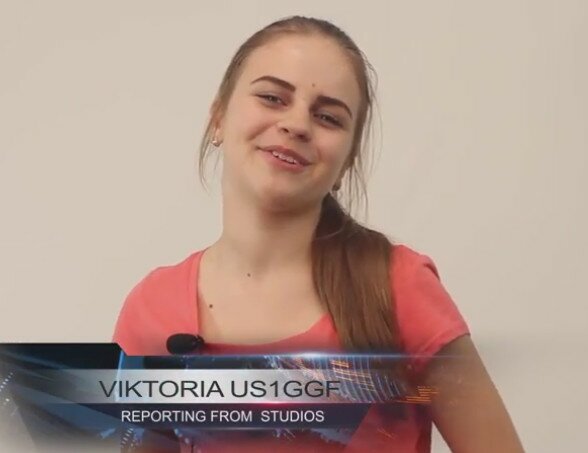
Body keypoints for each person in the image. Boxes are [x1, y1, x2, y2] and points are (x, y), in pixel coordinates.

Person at [113, 16, 523, 452]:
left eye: (328, 117)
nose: (296, 124)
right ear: (218, 118)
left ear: (347, 160)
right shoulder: (150, 308)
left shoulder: (399, 287)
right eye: (272, 97)